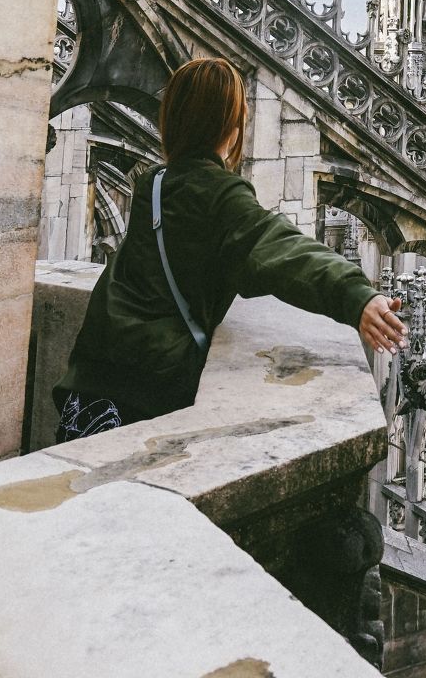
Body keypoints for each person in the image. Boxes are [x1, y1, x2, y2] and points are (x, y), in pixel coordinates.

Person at [55, 56, 408, 440]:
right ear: (231, 127)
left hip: (87, 387)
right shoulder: (220, 195)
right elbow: (280, 247)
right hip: (145, 397)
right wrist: (356, 296)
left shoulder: (153, 184)